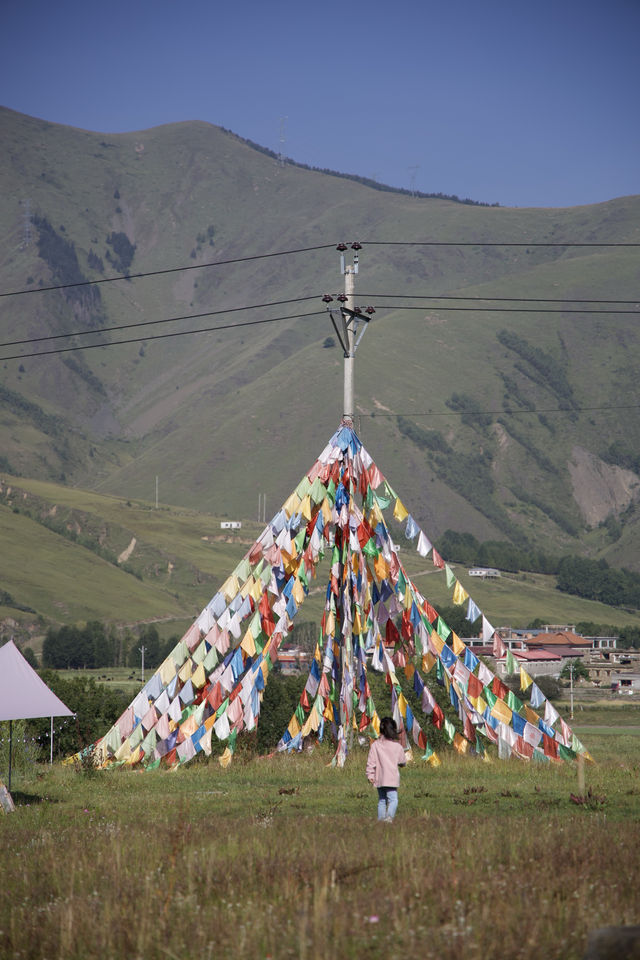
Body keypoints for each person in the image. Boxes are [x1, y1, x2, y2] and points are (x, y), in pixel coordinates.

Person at [366, 716, 407, 822]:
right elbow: (402, 762)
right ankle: (389, 818)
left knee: (382, 800)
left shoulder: (375, 745)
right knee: (393, 800)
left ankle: (381, 821)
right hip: (392, 779)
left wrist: (370, 775)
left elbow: (371, 762)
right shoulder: (397, 747)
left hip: (379, 778)